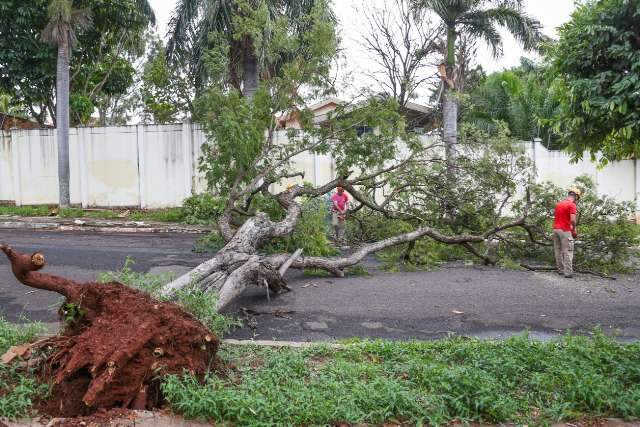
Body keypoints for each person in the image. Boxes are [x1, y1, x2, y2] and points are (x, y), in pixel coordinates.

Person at [552, 188, 581, 278]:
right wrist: (574, 230)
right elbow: (572, 220)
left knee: (558, 250)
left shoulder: (558, 204)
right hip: (565, 230)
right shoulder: (572, 205)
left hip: (555, 230)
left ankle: (560, 270)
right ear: (576, 196)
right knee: (568, 251)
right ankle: (568, 273)